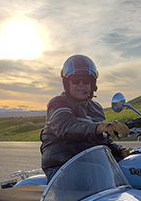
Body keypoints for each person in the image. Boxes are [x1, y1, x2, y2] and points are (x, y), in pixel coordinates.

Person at [40, 54, 131, 182]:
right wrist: (99, 127)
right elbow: (67, 127)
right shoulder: (58, 103)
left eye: (86, 81)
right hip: (63, 166)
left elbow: (102, 141)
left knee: (134, 167)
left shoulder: (96, 108)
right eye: (76, 80)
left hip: (92, 163)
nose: (81, 85)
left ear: (92, 84)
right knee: (100, 176)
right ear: (67, 83)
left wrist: (121, 150)